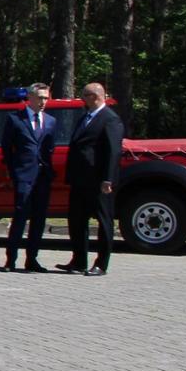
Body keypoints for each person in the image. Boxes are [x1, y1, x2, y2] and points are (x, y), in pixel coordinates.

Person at [60, 83, 122, 277]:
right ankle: (78, 260)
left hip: (98, 181)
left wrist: (108, 179)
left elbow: (113, 152)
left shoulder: (109, 119)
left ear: (94, 97)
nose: (82, 99)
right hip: (80, 179)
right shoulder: (85, 117)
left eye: (84, 96)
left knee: (103, 222)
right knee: (77, 220)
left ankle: (101, 264)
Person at [2, 83, 58, 272]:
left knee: (39, 219)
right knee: (20, 217)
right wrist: (13, 170)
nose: (43, 102)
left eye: (46, 98)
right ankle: (11, 259)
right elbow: (6, 148)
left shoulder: (50, 121)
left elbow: (49, 148)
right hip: (24, 175)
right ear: (30, 98)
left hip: (42, 177)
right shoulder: (15, 119)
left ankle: (32, 258)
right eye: (40, 98)